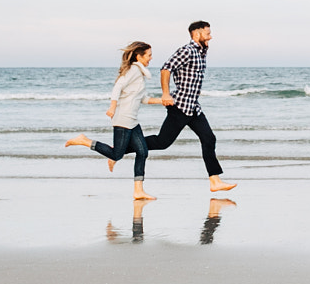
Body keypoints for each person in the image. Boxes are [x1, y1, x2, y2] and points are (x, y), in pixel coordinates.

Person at [65, 41, 167, 201]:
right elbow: (117, 87)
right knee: (117, 154)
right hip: (123, 119)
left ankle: (138, 191)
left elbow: (143, 98)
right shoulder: (134, 70)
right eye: (149, 55)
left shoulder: (139, 73)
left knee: (143, 151)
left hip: (132, 120)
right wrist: (112, 107)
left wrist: (163, 100)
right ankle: (84, 141)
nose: (151, 58)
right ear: (139, 56)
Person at [145, 20, 235, 192]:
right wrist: (165, 93)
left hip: (193, 107)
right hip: (179, 107)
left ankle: (215, 181)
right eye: (207, 33)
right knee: (162, 142)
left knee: (209, 138)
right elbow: (166, 68)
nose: (211, 36)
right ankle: (120, 150)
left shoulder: (201, 51)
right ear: (197, 34)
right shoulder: (186, 51)